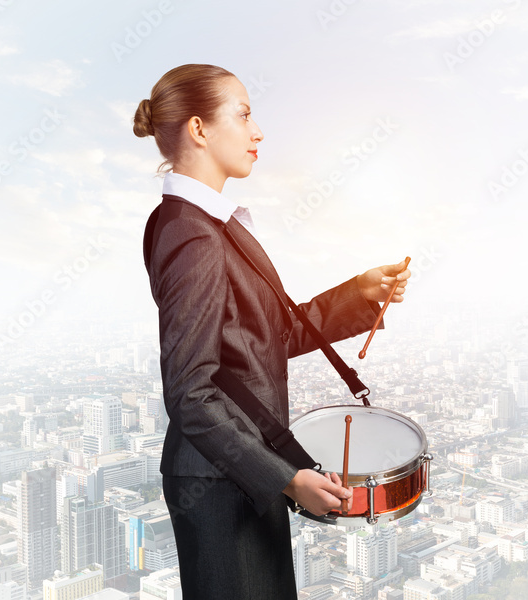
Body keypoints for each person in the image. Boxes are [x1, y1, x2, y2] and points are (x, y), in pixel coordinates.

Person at [135, 63, 410, 599]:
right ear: (199, 129)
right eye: (242, 114)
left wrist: (359, 294)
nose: (257, 131)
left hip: (236, 469)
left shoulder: (207, 225)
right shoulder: (193, 236)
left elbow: (270, 340)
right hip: (222, 478)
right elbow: (190, 392)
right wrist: (284, 477)